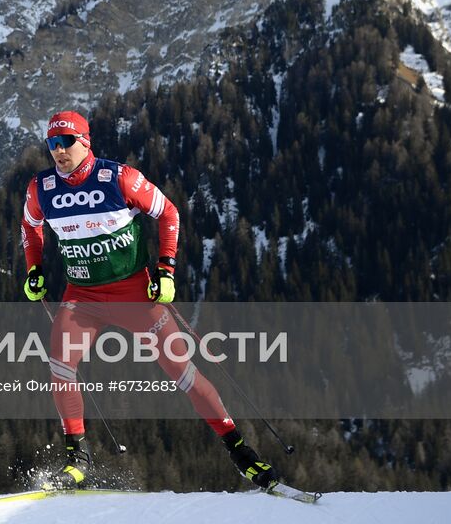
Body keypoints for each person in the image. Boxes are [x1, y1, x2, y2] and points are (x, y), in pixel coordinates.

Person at [20, 110, 280, 490]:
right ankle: (78, 457)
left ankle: (239, 450)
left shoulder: (120, 178)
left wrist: (166, 270)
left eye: (67, 142)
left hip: (134, 295)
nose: (59, 151)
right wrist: (34, 269)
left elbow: (168, 212)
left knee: (183, 371)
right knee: (60, 365)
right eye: (52, 144)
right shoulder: (40, 188)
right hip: (82, 297)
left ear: (85, 142)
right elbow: (30, 226)